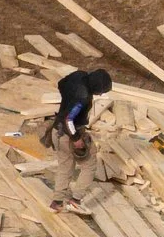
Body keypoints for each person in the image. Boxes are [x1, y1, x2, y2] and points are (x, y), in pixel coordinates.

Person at [40, 65, 113, 212]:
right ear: (96, 86)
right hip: (69, 133)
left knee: (65, 167)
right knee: (89, 165)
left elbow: (61, 84)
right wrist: (76, 138)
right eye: (100, 91)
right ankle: (75, 200)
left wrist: (67, 100)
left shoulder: (79, 75)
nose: (99, 94)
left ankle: (57, 202)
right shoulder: (83, 96)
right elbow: (69, 119)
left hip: (57, 131)